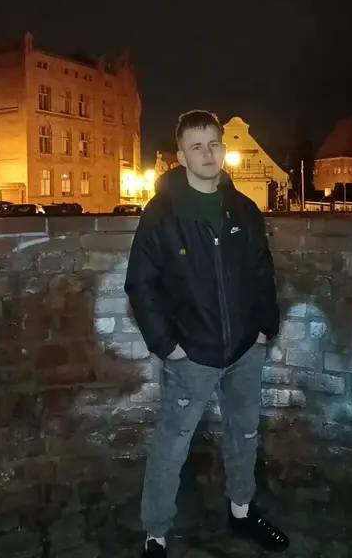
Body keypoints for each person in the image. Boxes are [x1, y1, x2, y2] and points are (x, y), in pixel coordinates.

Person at [125, 110, 289, 557]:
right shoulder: (162, 214)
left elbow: (262, 272)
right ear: (181, 156)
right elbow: (141, 283)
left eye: (214, 143)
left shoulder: (243, 209)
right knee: (172, 444)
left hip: (245, 349)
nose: (207, 153)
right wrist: (167, 345)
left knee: (244, 433)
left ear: (223, 148)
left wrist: (264, 327)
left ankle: (241, 511)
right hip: (191, 354)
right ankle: (156, 534)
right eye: (196, 146)